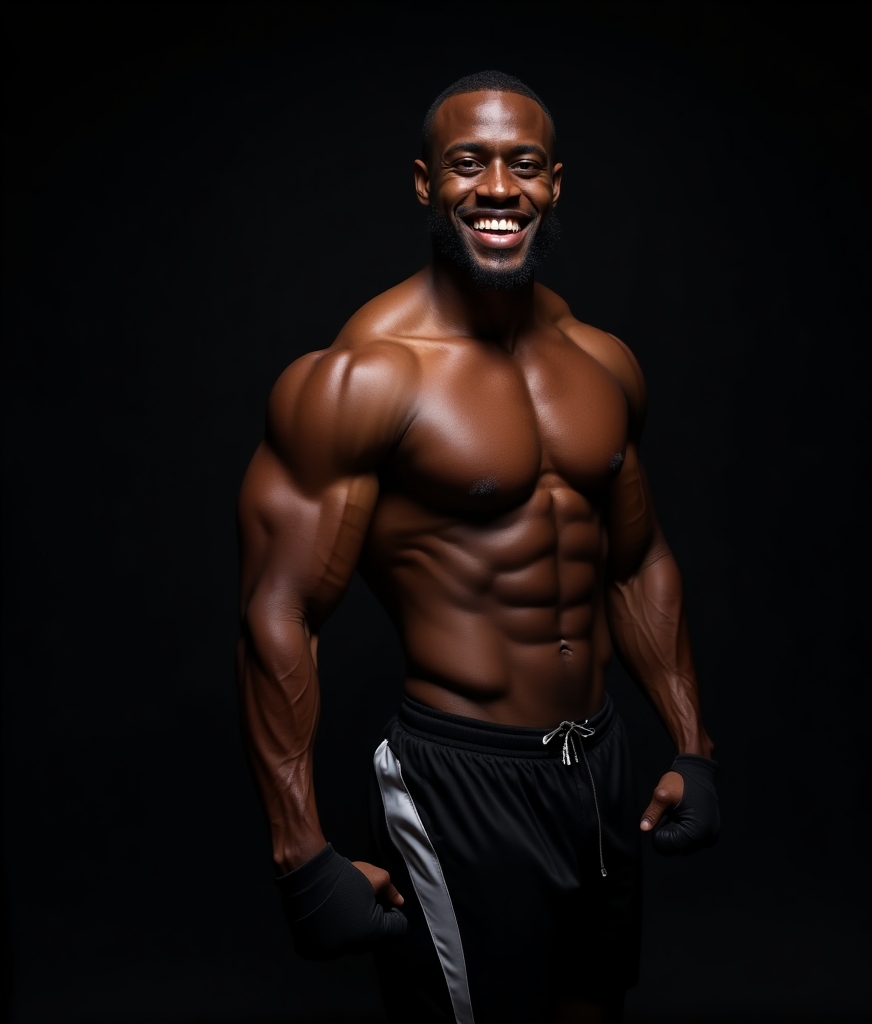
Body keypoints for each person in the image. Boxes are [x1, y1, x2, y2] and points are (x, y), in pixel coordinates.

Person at [236, 70, 719, 1024]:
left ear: (554, 184)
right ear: (426, 183)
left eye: (523, 166)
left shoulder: (601, 360)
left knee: (591, 1007)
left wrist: (693, 748)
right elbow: (278, 612)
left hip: (599, 765)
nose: (498, 188)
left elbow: (635, 558)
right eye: (469, 165)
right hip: (462, 779)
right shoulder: (364, 375)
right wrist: (299, 854)